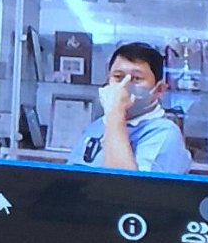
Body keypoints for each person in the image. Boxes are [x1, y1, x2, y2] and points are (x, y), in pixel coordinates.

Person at [71, 42, 195, 175]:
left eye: (136, 78)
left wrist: (116, 112)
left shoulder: (165, 133)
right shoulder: (98, 125)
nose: (124, 86)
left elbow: (124, 184)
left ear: (159, 89)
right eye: (118, 77)